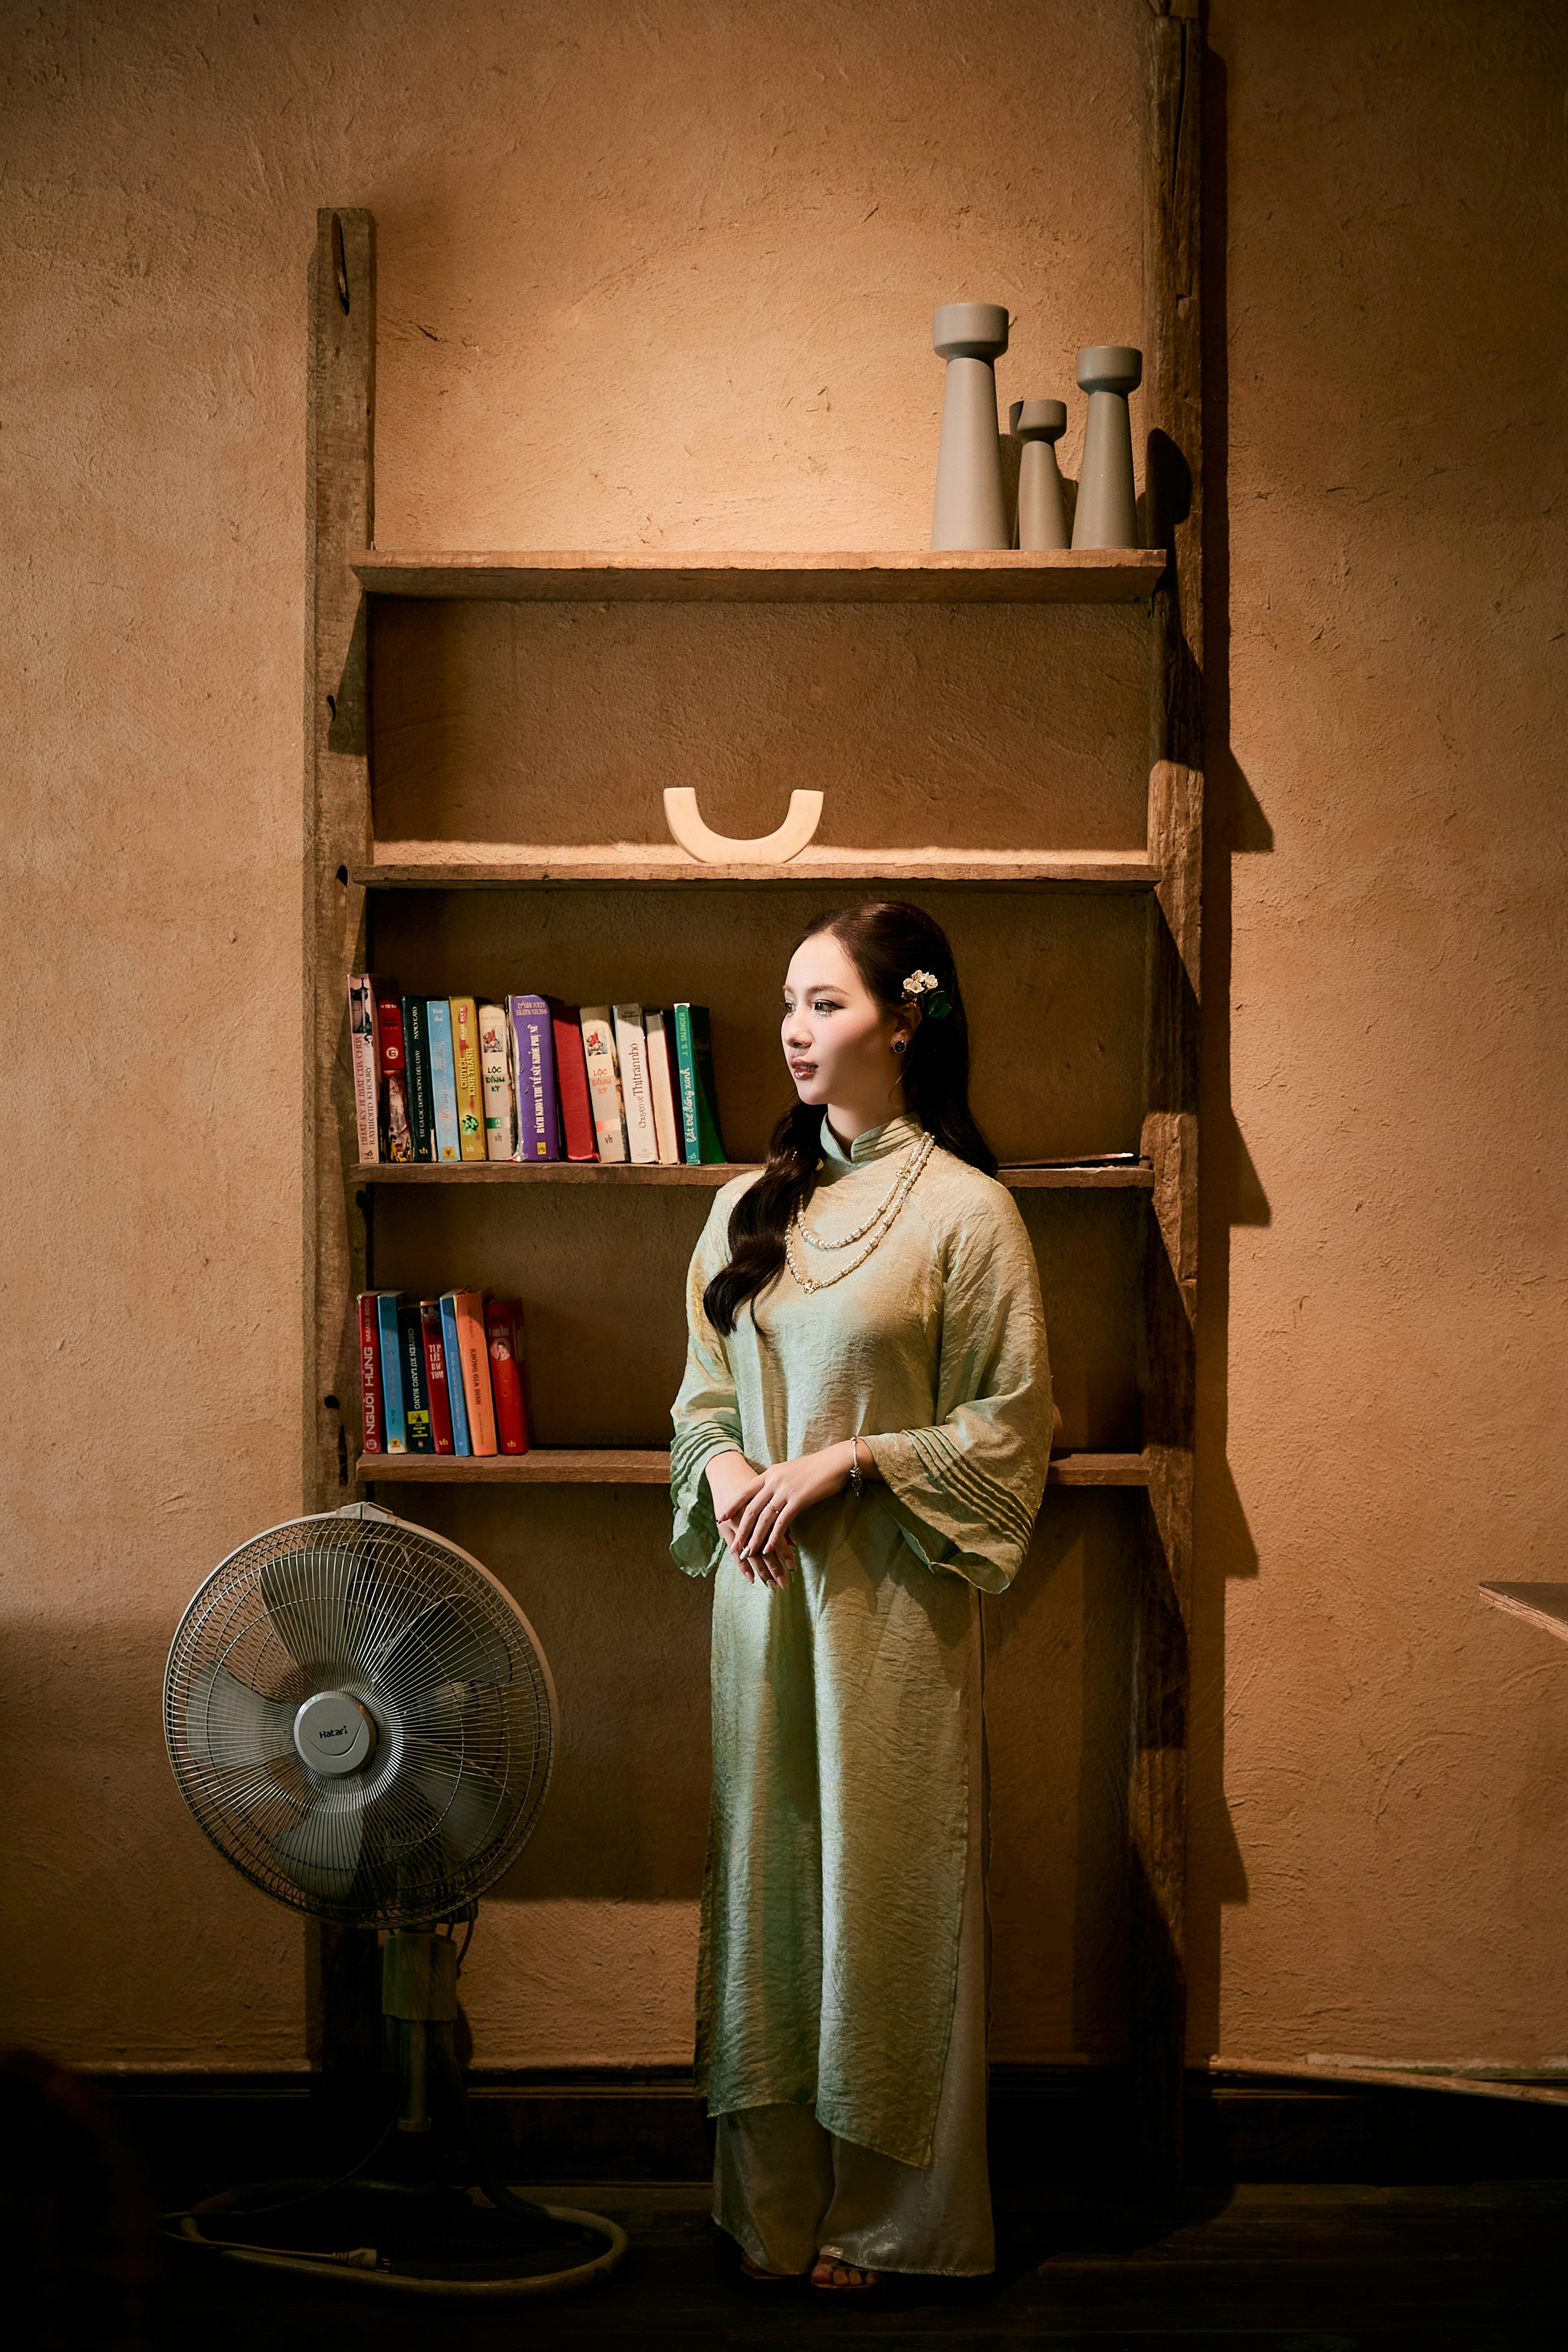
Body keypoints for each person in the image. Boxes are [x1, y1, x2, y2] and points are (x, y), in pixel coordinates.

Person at [669, 899, 1055, 2294]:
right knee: (771, 1882)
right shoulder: (741, 1208)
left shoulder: (969, 1212)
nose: (793, 1028)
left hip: (889, 1610)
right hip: (759, 1604)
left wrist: (844, 1459)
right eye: (786, 1003)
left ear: (906, 1015)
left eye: (825, 1003)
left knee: (883, 1882)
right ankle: (771, 2204)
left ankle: (894, 2218)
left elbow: (1009, 1433)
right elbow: (699, 1404)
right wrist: (720, 1471)